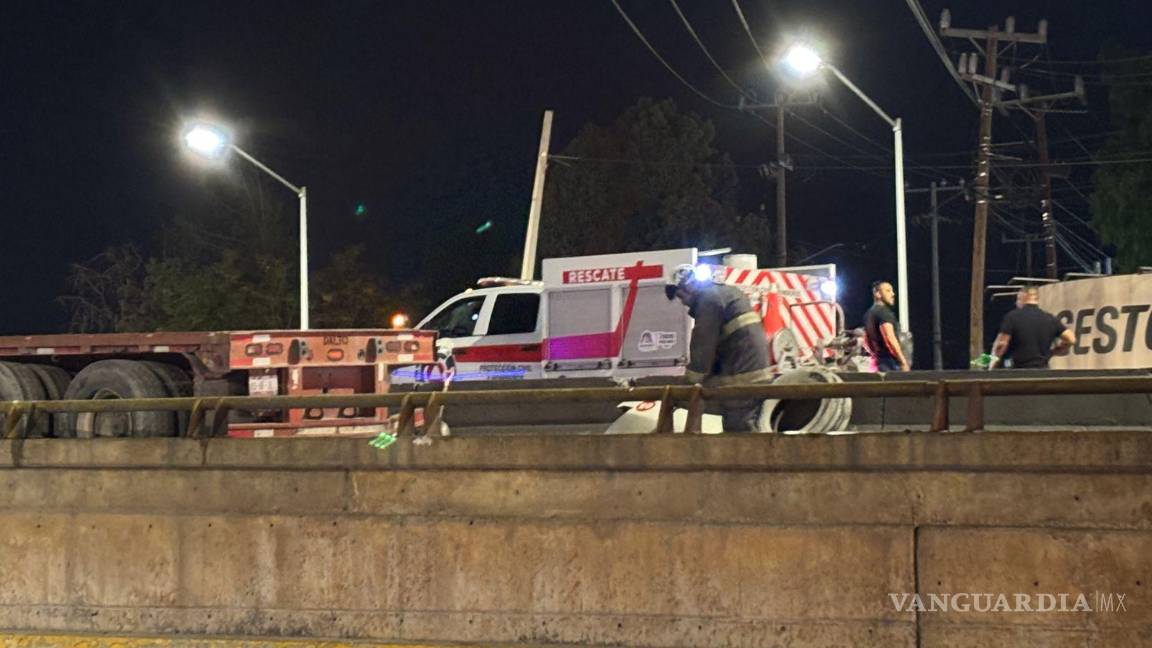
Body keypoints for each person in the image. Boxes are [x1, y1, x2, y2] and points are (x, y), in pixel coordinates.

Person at [666, 264, 772, 431]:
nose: (684, 303)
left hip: (742, 382)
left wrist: (690, 383)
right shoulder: (728, 293)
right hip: (754, 375)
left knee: (739, 434)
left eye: (681, 296)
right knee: (749, 427)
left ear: (688, 287)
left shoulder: (708, 300)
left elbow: (703, 344)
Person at [989, 286, 1075, 369]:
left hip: (1019, 372)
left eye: (1017, 299)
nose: (1016, 303)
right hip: (1043, 372)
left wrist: (992, 365)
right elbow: (1071, 339)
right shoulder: (1050, 318)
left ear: (1022, 297)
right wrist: (1054, 352)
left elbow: (1001, 345)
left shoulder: (1012, 317)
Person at [862, 280, 910, 372]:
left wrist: (875, 356)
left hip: (876, 362)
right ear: (878, 294)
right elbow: (889, 338)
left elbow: (866, 340)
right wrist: (903, 362)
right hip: (889, 363)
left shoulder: (868, 314)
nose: (892, 294)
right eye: (888, 291)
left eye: (892, 291)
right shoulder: (884, 313)